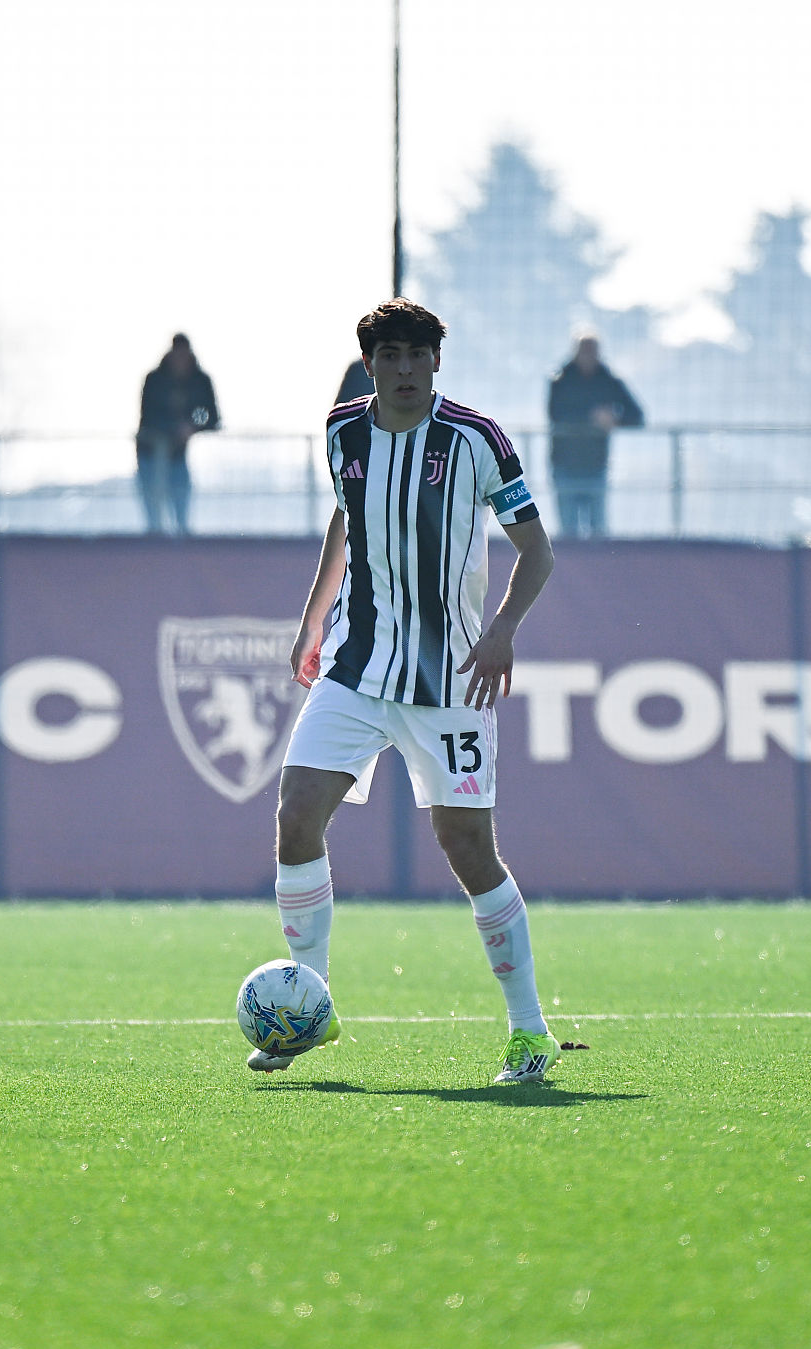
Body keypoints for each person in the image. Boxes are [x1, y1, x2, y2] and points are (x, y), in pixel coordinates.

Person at [264, 298, 561, 1085]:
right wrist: (313, 619)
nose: (403, 370)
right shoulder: (342, 433)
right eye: (388, 356)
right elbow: (346, 518)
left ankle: (530, 1033)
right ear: (370, 365)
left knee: (468, 850)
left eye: (416, 356)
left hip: (453, 679)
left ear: (436, 362)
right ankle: (309, 1012)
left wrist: (502, 630)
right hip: (359, 668)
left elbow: (536, 551)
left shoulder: (475, 440)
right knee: (296, 816)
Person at [545, 331, 643, 539]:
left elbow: (637, 416)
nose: (588, 356)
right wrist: (592, 417)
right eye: (584, 351)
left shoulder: (608, 380)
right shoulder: (560, 380)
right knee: (568, 536)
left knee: (599, 537)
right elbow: (556, 414)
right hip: (565, 466)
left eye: (592, 351)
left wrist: (615, 420)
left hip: (596, 466)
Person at [135, 334, 220, 535]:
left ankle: (180, 546)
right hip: (150, 450)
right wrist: (174, 428)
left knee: (180, 502)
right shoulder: (155, 380)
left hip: (178, 453)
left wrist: (192, 426)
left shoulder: (199, 380)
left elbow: (210, 415)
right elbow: (149, 416)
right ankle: (156, 544)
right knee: (153, 508)